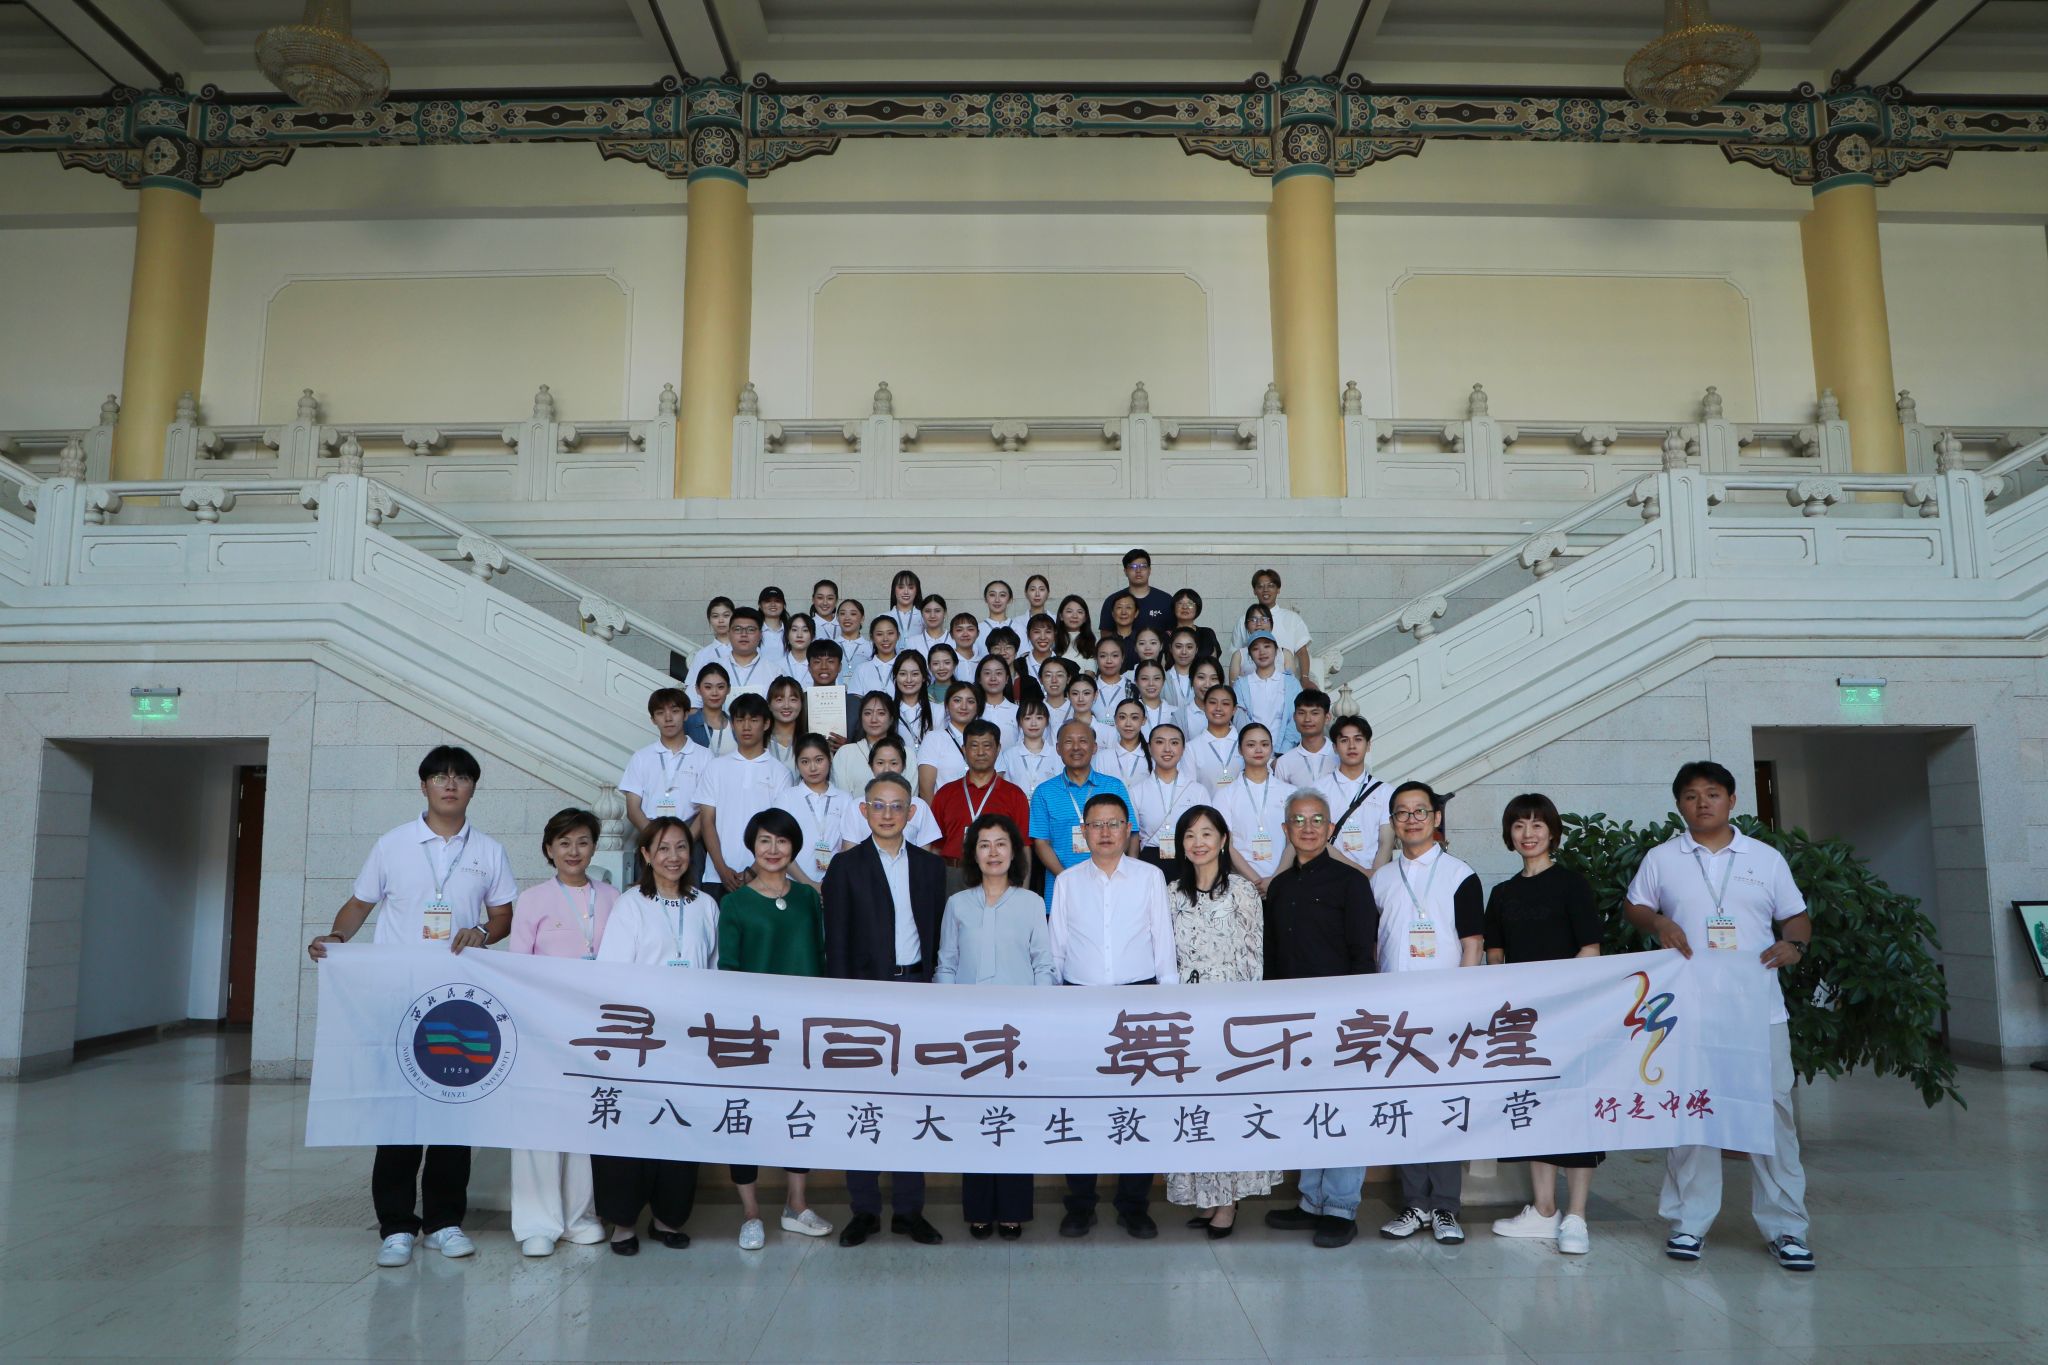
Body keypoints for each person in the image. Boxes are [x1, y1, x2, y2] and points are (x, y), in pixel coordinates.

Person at [309, 746, 516, 1268]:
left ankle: (445, 1222)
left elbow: (503, 915)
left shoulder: (488, 851)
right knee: (398, 1114)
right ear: (423, 786)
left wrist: (482, 931)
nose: (450, 784)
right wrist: (338, 937)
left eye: (461, 777)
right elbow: (360, 903)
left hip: (457, 1003)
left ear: (473, 787)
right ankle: (397, 1226)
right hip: (398, 1001)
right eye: (440, 777)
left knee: (452, 1114)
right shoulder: (393, 844)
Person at [1625, 760, 1815, 1272]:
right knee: (1693, 1111)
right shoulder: (1662, 858)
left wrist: (1795, 945)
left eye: (1712, 793)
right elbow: (1635, 906)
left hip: (1758, 1011)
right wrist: (1658, 922)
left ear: (1732, 800)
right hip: (1688, 1011)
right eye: (1690, 795)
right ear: (1679, 805)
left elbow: (1796, 916)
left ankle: (1787, 1228)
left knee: (1772, 1114)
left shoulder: (1765, 859)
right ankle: (1690, 1222)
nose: (1702, 802)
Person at [823, 772, 948, 1247]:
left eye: (898, 806)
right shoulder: (845, 867)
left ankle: (910, 1210)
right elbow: (836, 942)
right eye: (879, 805)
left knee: (912, 1102)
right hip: (864, 997)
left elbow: (936, 935)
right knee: (865, 1101)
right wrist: (843, 1006)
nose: (888, 814)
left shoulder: (931, 867)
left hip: (916, 989)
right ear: (864, 810)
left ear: (912, 813)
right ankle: (865, 1209)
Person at [1048, 791, 1175, 1239]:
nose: (1105, 832)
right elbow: (1057, 949)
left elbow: (1163, 944)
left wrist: (1167, 1005)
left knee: (1136, 1106)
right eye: (1096, 824)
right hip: (1079, 1003)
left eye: (1114, 823)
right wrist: (1054, 1008)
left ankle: (1133, 1205)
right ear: (1083, 832)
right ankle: (1080, 1204)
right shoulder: (1067, 882)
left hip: (1138, 1003)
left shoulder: (1149, 877)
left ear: (1127, 830)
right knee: (1081, 1107)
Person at [592, 816, 717, 1254]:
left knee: (678, 1124)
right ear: (646, 854)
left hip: (688, 1040)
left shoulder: (705, 904)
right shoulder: (631, 905)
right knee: (629, 1127)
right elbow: (612, 975)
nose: (673, 857)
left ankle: (668, 1218)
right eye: (663, 848)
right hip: (638, 1039)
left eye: (681, 847)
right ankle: (623, 1222)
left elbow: (713, 971)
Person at [1486, 792, 1603, 1256]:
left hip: (1570, 1015)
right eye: (1519, 825)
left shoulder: (1572, 885)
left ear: (1552, 832)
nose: (1528, 833)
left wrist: (1558, 998)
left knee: (1574, 1110)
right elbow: (1496, 957)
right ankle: (1543, 1209)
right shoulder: (1502, 894)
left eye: (1537, 825)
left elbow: (1590, 949)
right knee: (1532, 1107)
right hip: (1523, 1023)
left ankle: (1577, 1215)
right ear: (1509, 835)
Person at [1261, 790, 1378, 1248]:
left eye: (1316, 820)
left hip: (1341, 1018)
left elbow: (1363, 953)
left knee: (1343, 1108)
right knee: (1309, 1107)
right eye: (1298, 820)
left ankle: (1341, 1207)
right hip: (1293, 1022)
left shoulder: (1351, 883)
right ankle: (1311, 1200)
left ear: (1330, 828)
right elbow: (1272, 957)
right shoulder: (1280, 887)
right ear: (1285, 829)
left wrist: (1356, 1015)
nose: (1307, 828)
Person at [1372, 780, 1485, 1245]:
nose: (1412, 819)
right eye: (1402, 812)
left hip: (1445, 1014)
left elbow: (1472, 943)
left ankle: (1445, 1207)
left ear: (1436, 818)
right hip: (1395, 1014)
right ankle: (1415, 1203)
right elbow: (1375, 945)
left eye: (1420, 811)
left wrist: (1462, 1004)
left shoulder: (1460, 874)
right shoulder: (1381, 879)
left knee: (1443, 1107)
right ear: (1393, 823)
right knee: (1407, 1106)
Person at [718, 809, 835, 1248]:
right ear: (752, 846)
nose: (773, 849)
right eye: (764, 840)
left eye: (782, 841)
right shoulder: (734, 903)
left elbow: (819, 956)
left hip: (802, 1029)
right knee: (745, 1115)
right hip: (753, 1032)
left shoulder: (807, 898)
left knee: (798, 1111)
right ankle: (750, 1213)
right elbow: (729, 968)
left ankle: (796, 1205)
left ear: (794, 848)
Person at [934, 813, 1055, 1240]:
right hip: (970, 1032)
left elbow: (1043, 965)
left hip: (1018, 1032)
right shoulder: (957, 904)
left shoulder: (1031, 903)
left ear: (1014, 851)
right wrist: (947, 1020)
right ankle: (979, 1209)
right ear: (973, 854)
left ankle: (1014, 1209)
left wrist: (1040, 1020)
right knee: (976, 1118)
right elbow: (946, 964)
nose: (993, 852)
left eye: (1001, 843)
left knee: (1015, 1118)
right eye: (984, 844)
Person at [1162, 804, 1278, 1238]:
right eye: (1190, 835)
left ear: (1224, 840)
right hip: (1185, 1014)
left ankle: (1228, 1201)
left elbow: (1254, 955)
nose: (1199, 842)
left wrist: (1245, 1017)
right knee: (1194, 1106)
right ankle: (1206, 1196)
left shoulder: (1243, 892)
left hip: (1230, 1012)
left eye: (1207, 833)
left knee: (1227, 1105)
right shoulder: (1171, 893)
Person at [505, 809, 616, 1257]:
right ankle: (537, 1222)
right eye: (564, 842)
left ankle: (578, 1216)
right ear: (549, 849)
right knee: (539, 1122)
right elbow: (517, 968)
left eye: (583, 842)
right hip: (544, 1027)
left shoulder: (613, 897)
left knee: (582, 1121)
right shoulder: (532, 900)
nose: (574, 851)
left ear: (594, 848)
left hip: (596, 1029)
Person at [1027, 719, 1133, 905]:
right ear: (1058, 748)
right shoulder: (1044, 792)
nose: (1076, 747)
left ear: (1094, 747)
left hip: (1110, 888)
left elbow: (1129, 834)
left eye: (1083, 741)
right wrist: (1068, 880)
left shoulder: (1114, 787)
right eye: (1069, 742)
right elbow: (1041, 843)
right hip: (1061, 891)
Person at [698, 693, 793, 895]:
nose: (746, 727)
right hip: (716, 876)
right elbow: (707, 821)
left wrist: (752, 871)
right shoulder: (715, 767)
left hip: (765, 876)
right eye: (740, 720)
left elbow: (779, 828)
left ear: (766, 724)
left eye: (754, 720)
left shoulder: (780, 773)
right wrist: (721, 869)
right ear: (732, 724)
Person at [930, 719, 1030, 897]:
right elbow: (936, 847)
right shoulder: (945, 793)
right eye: (974, 746)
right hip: (953, 876)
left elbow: (1023, 847)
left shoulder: (1014, 795)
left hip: (999, 876)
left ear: (998, 749)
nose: (981, 752)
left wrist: (1023, 894)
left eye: (987, 745)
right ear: (964, 750)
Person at [1214, 723, 1295, 891]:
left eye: (1264, 744)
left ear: (1272, 748)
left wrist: (1275, 880)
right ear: (1240, 749)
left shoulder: (1290, 792)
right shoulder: (1225, 795)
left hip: (1284, 882)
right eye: (1251, 745)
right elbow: (1226, 844)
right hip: (1242, 885)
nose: (1258, 750)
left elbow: (1294, 840)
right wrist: (1256, 881)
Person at [620, 687, 710, 837]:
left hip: (690, 832)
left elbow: (707, 808)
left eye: (675, 711)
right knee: (648, 855)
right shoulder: (641, 757)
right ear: (653, 719)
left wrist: (686, 841)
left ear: (686, 714)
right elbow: (633, 809)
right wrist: (655, 839)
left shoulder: (705, 756)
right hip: (650, 831)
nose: (668, 718)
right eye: (660, 713)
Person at [1315, 714, 1395, 875]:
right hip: (1330, 876)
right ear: (1334, 747)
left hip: (1373, 877)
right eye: (1344, 740)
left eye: (1358, 739)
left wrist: (1375, 876)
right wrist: (1362, 873)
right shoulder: (1318, 790)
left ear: (1368, 745)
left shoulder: (1385, 791)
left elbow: (1386, 843)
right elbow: (1318, 840)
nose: (1351, 746)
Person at [772, 733, 850, 888]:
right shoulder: (786, 797)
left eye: (819, 760)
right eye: (805, 762)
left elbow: (847, 847)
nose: (813, 768)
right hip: (793, 884)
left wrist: (829, 882)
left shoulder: (844, 799)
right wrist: (808, 883)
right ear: (797, 763)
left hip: (834, 884)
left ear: (830, 759)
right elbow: (779, 846)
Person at [839, 735, 943, 850]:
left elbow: (924, 855)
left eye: (894, 763)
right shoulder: (855, 807)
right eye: (880, 763)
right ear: (871, 766)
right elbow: (849, 852)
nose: (886, 769)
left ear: (903, 766)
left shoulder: (919, 806)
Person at [1126, 722, 1204, 877]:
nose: (1167, 749)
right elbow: (1134, 838)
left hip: (1189, 861)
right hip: (1149, 862)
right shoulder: (1136, 792)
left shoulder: (1198, 790)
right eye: (1160, 742)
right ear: (1149, 748)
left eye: (1174, 743)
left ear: (1183, 749)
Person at [1233, 568, 1313, 678]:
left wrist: (1305, 678)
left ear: (1278, 589)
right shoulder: (1243, 621)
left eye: (1271, 586)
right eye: (1260, 586)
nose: (1265, 590)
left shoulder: (1292, 618)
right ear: (1254, 591)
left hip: (1285, 681)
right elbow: (1236, 656)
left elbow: (1302, 652)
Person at [1232, 629, 1303, 748]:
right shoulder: (1241, 685)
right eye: (1255, 648)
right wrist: (1255, 747)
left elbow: (1297, 716)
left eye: (1267, 646)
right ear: (1250, 655)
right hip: (1252, 752)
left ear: (1276, 651)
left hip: (1286, 751)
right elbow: (1240, 719)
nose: (1262, 652)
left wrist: (1284, 750)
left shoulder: (1291, 683)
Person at [917, 680, 983, 800]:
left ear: (978, 707)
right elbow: (926, 791)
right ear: (947, 706)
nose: (964, 706)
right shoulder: (933, 739)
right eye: (957, 700)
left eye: (970, 701)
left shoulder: (987, 739)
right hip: (944, 810)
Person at [833, 690, 899, 794]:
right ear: (860, 718)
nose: (874, 719)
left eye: (881, 713)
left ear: (891, 719)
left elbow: (909, 797)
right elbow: (841, 797)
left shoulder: (906, 754)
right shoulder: (845, 753)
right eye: (868, 713)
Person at [1099, 547, 1173, 632]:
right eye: (1133, 567)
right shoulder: (1113, 600)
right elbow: (1106, 635)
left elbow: (1173, 633)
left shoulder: (1165, 600)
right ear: (1125, 571)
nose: (1138, 570)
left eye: (1143, 566)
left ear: (1149, 570)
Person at [998, 697, 1059, 800]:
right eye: (1027, 718)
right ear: (1019, 722)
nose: (1033, 723)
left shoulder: (1057, 754)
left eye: (1039, 718)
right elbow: (1005, 790)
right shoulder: (1009, 755)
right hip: (1017, 807)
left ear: (1047, 722)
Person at [1274, 689, 1336, 786]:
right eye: (1301, 713)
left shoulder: (1340, 755)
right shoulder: (1284, 762)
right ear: (1294, 717)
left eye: (1314, 713)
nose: (1307, 719)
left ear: (1327, 718)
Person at [1093, 696, 1151, 785]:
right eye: (1122, 717)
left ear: (1143, 720)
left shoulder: (1153, 756)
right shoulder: (1102, 758)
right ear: (1115, 720)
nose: (1128, 724)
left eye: (1134, 718)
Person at [686, 662, 733, 757]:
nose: (714, 693)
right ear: (697, 689)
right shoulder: (686, 724)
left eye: (720, 687)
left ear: (728, 689)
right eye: (708, 687)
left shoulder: (737, 725)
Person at [854, 614, 905, 696]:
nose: (885, 639)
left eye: (890, 633)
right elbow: (855, 700)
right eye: (879, 634)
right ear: (872, 637)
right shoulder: (861, 669)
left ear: (898, 636)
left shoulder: (905, 667)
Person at [891, 649, 934, 744]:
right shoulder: (888, 711)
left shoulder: (938, 711)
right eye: (903, 674)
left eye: (915, 674)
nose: (909, 680)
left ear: (923, 677)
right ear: (896, 677)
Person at [975, 654, 1020, 746]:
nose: (993, 678)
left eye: (998, 673)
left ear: (1007, 679)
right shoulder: (972, 710)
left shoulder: (1018, 711)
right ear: (979, 679)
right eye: (987, 673)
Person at [765, 676, 806, 775]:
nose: (786, 706)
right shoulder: (759, 742)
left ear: (801, 704)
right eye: (779, 700)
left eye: (793, 700)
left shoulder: (809, 742)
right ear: (769, 705)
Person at [1171, 588, 1223, 663]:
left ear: (1197, 608)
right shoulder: (1167, 635)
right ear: (1174, 607)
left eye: (1190, 604)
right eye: (1180, 603)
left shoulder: (1207, 633)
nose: (1185, 607)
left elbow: (1214, 663)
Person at [1054, 594, 1098, 666]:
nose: (1074, 616)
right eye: (1069, 611)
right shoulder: (1053, 640)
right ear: (1061, 616)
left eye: (1079, 612)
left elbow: (1093, 668)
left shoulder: (1094, 641)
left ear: (1085, 618)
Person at [1020, 612, 1061, 682]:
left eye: (1048, 632)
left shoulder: (1066, 664)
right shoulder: (1018, 666)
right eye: (1037, 632)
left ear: (1055, 634)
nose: (1043, 637)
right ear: (1028, 635)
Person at [979, 578, 1020, 646]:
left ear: (1010, 600)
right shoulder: (977, 630)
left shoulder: (1019, 628)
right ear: (985, 599)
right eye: (992, 595)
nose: (997, 600)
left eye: (1002, 595)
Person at [886, 568, 923, 638]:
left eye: (911, 588)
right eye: (901, 587)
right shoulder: (884, 617)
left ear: (917, 591)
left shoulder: (924, 617)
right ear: (894, 590)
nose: (906, 592)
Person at [836, 598, 871, 671]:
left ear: (862, 619)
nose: (847, 618)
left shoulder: (871, 647)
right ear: (837, 618)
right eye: (842, 614)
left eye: (853, 614)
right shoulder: (830, 646)